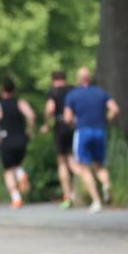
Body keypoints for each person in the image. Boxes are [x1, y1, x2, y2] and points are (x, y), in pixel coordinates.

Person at [64, 66, 120, 213]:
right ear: (90, 78)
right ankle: (106, 184)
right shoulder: (101, 92)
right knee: (99, 165)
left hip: (83, 131)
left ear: (78, 79)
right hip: (100, 131)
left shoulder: (73, 95)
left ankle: (96, 201)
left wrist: (73, 123)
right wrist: (106, 120)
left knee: (83, 167)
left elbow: (67, 117)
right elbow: (115, 109)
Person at [0, 76, 36, 208]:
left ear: (2, 90)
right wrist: (30, 131)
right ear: (14, 90)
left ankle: (16, 198)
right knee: (17, 164)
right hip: (21, 139)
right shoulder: (20, 102)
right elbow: (31, 115)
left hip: (6, 141)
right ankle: (21, 174)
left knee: (8, 170)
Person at [40, 70, 76, 209]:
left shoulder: (53, 92)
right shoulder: (73, 90)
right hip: (74, 126)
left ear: (53, 79)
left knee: (62, 161)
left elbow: (50, 108)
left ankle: (67, 196)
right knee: (74, 159)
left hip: (60, 126)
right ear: (65, 78)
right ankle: (86, 190)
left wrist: (46, 123)